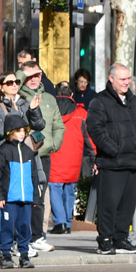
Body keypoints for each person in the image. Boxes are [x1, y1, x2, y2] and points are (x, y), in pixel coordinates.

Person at [86, 64, 136, 255]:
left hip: (133, 162)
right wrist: (113, 150)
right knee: (109, 204)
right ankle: (105, 240)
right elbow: (95, 129)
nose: (127, 82)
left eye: (128, 78)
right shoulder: (100, 101)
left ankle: (121, 238)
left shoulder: (135, 102)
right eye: (123, 79)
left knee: (127, 206)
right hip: (112, 163)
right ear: (111, 79)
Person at [19, 63, 65, 252]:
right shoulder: (18, 94)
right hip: (21, 155)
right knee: (22, 197)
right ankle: (21, 237)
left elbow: (59, 125)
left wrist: (53, 144)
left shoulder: (49, 98)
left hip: (43, 156)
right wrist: (22, 74)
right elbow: (15, 81)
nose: (33, 79)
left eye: (37, 75)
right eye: (29, 76)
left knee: (39, 197)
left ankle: (37, 237)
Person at [0, 112, 41, 268]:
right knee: (7, 227)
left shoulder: (28, 151)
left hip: (25, 198)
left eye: (24, 131)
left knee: (25, 227)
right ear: (10, 132)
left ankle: (24, 255)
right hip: (9, 198)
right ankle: (6, 254)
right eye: (18, 131)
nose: (22, 134)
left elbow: (34, 176)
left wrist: (35, 197)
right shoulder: (2, 151)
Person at [49, 82, 89, 235]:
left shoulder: (50, 110)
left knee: (55, 188)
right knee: (70, 190)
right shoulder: (81, 113)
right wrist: (94, 156)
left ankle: (60, 223)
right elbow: (89, 138)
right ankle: (67, 222)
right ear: (72, 95)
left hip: (55, 155)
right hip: (74, 158)